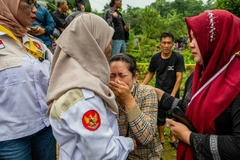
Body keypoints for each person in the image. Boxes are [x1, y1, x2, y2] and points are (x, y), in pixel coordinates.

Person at [47, 13, 136, 160]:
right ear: (93, 44)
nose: (110, 46)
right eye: (107, 41)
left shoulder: (71, 82)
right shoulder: (84, 99)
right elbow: (102, 154)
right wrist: (128, 143)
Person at [166, 10, 240, 160]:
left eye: (197, 38)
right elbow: (190, 107)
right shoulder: (198, 74)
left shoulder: (236, 82)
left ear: (217, 40)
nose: (191, 44)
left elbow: (238, 145)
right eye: (191, 37)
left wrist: (188, 137)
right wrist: (160, 97)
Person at [0, 0, 56, 159]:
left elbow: (57, 74)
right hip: (10, 136)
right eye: (29, 4)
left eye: (35, 6)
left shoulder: (36, 44)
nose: (35, 12)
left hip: (45, 128)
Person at [108, 53, 163, 159]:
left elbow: (146, 137)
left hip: (146, 156)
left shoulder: (146, 93)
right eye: (112, 76)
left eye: (122, 75)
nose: (116, 81)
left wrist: (128, 99)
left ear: (134, 77)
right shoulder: (106, 96)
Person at [141, 32, 185, 149]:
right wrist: (141, 86)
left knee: (173, 116)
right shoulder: (155, 58)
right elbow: (151, 73)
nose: (166, 45)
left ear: (173, 45)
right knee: (160, 116)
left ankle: (172, 138)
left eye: (169, 43)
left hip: (173, 92)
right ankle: (161, 138)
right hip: (159, 92)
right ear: (160, 44)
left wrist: (172, 95)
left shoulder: (178, 58)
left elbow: (179, 77)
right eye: (164, 43)